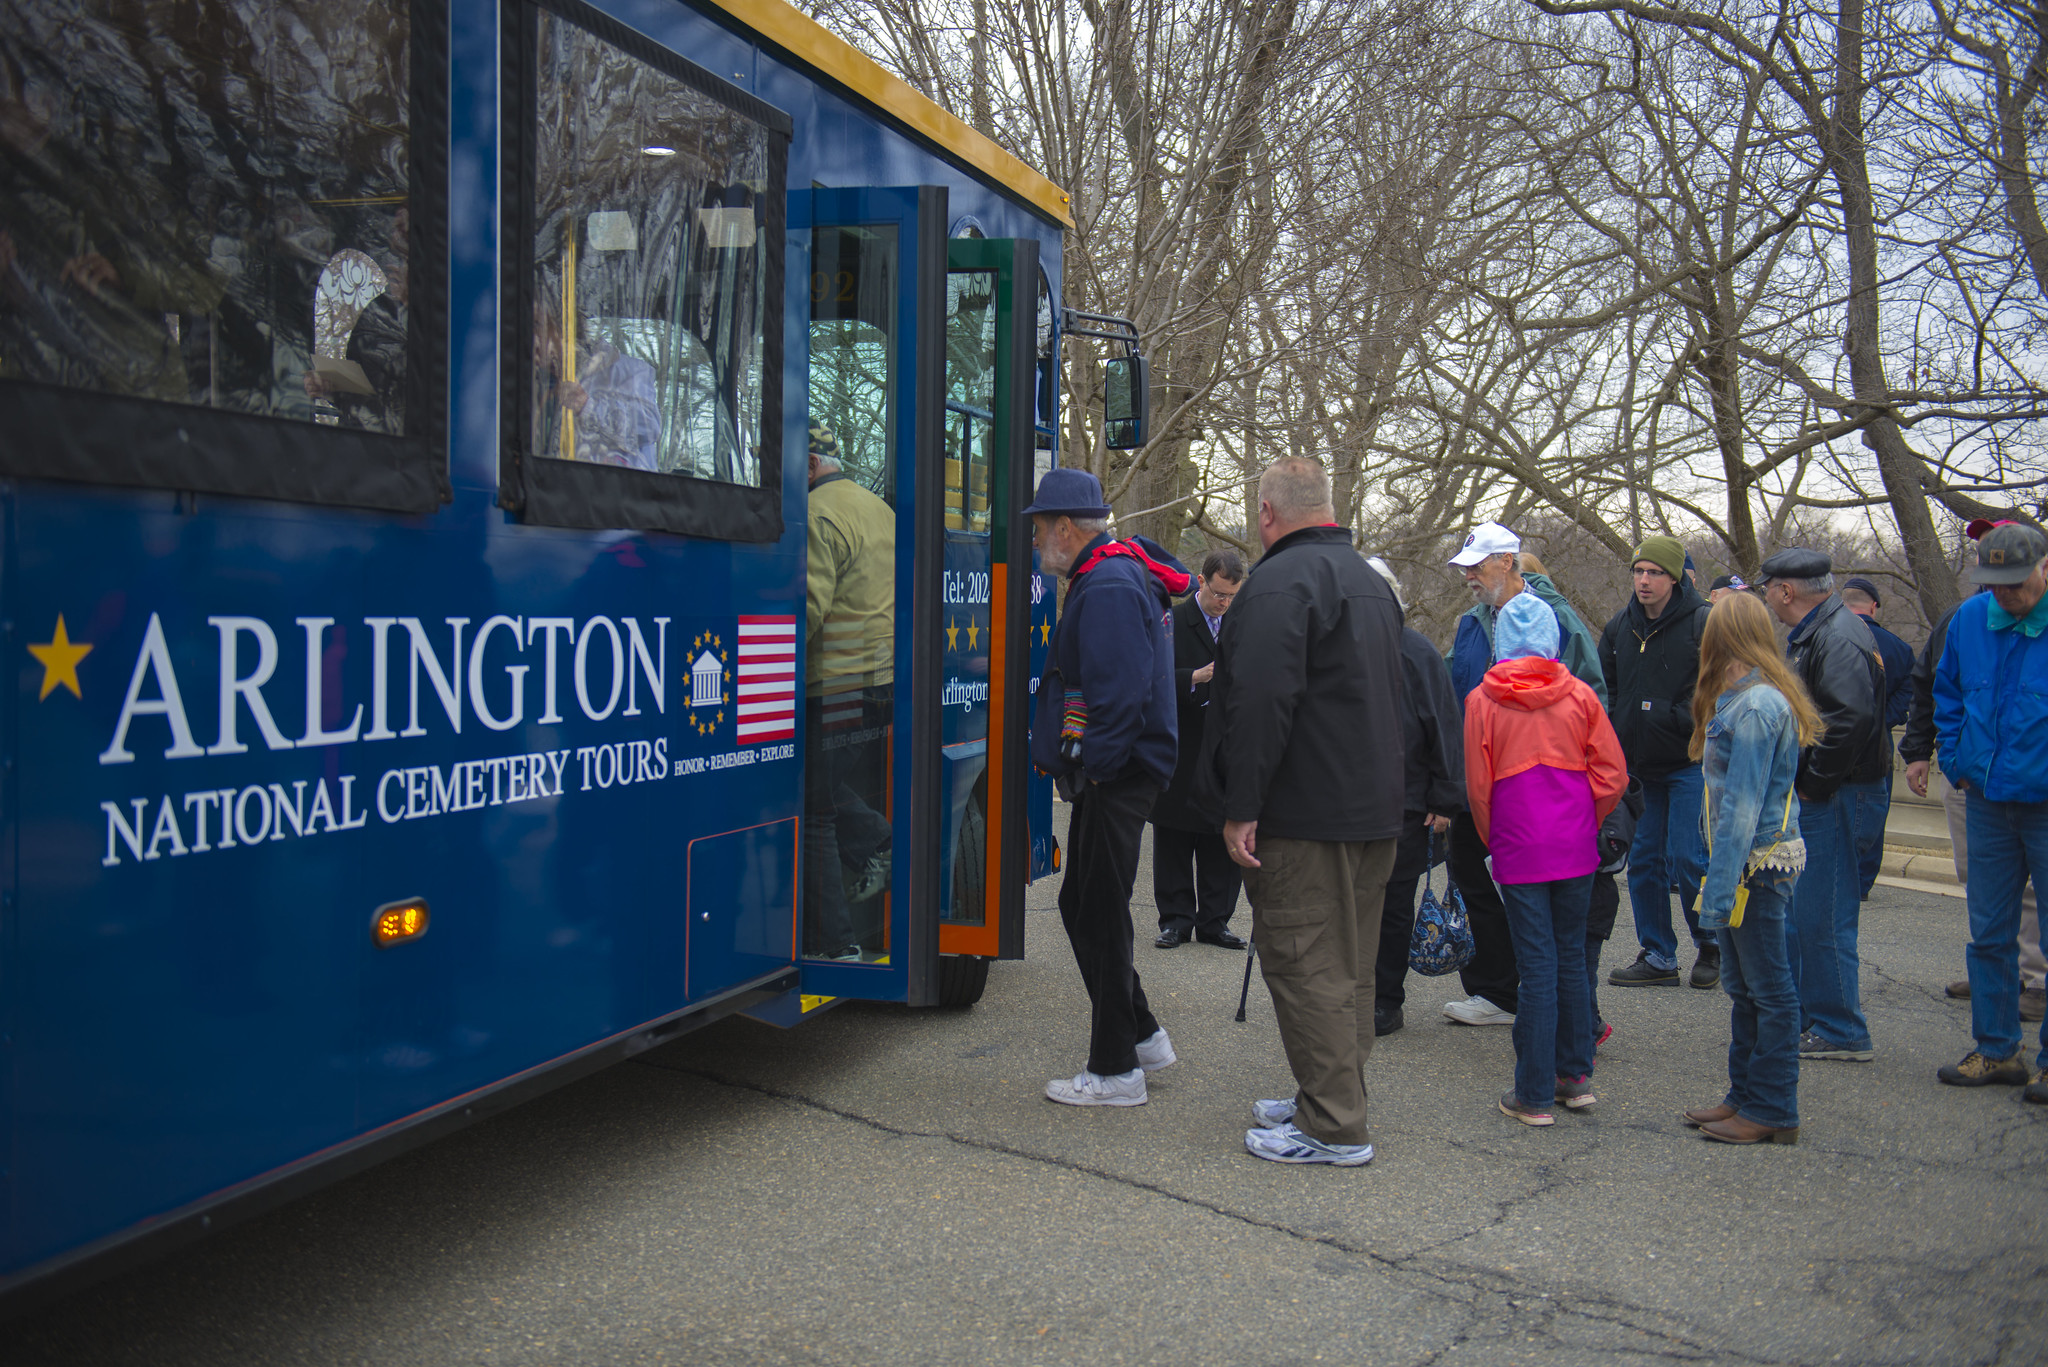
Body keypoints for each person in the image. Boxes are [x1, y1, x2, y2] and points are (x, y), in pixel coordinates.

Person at [1209, 456, 1405, 1165]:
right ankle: (1332, 1094)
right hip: (1373, 810)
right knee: (1349, 965)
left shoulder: (1276, 586)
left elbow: (1259, 706)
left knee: (1307, 963)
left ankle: (1332, 1124)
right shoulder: (1372, 584)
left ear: (1267, 513)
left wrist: (1241, 806)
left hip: (1305, 814)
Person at [1024, 468, 1184, 1107]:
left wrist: (1093, 768)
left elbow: (1121, 696)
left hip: (1118, 773)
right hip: (1117, 771)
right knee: (1083, 905)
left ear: (1066, 527)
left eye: (1040, 531)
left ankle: (1116, 1069)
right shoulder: (1105, 574)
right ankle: (1142, 1035)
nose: (1038, 545)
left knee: (1101, 911)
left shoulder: (1110, 583)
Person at [1463, 593, 1625, 1126]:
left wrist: (1497, 840)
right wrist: (1585, 819)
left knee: (1535, 966)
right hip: (1574, 841)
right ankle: (1574, 1077)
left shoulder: (1482, 701)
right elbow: (1612, 776)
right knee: (1571, 956)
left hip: (1517, 842)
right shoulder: (1578, 695)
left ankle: (1532, 1092)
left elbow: (1480, 788)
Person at [1442, 523, 1608, 1029]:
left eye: (1479, 565)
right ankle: (1495, 990)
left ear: (1508, 562)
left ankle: (1572, 1022)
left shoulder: (1555, 618)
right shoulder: (1473, 621)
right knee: (1469, 876)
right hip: (1478, 782)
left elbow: (1592, 699)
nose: (1469, 575)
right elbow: (1453, 690)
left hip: (1543, 795)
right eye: (1465, 566)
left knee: (1549, 911)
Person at [1682, 591, 1820, 1145]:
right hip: (1743, 862)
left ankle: (1773, 1108)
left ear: (1723, 637)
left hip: (1756, 864)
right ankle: (1744, 1095)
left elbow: (1742, 805)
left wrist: (1720, 884)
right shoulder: (1740, 699)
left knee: (1771, 990)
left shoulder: (1759, 706)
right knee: (1745, 988)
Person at [1901, 520, 2048, 1022]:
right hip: (1984, 797)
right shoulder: (1968, 619)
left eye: (2017, 582)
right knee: (1988, 930)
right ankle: (1995, 1047)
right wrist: (1958, 762)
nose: (2004, 593)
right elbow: (1943, 692)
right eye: (1995, 582)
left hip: (2043, 802)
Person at [1758, 548, 1885, 1062]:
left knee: (1824, 915)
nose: (1766, 595)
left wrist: (1811, 783)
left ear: (1786, 591)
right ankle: (1818, 1018)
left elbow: (1849, 719)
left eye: (1768, 587)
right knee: (1806, 912)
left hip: (1839, 791)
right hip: (1836, 787)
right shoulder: (1826, 630)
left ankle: (1840, 1028)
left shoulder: (1836, 636)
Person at [1599, 535, 1717, 990]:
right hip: (1638, 767)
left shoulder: (1702, 624)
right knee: (1645, 861)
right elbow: (1606, 688)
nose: (1645, 581)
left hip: (1688, 761)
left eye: (1655, 573)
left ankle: (1710, 944)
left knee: (1688, 858)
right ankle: (1658, 954)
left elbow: (1716, 687)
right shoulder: (1619, 627)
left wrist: (1673, 716)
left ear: (1674, 578)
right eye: (1639, 572)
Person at [802, 425, 895, 961]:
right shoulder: (879, 509)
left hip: (834, 682)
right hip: (879, 682)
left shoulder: (818, 515)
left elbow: (808, 609)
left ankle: (835, 948)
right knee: (823, 784)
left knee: (810, 805)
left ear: (811, 466)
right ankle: (877, 840)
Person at [1365, 556, 1464, 1037]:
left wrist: (1445, 799)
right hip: (1350, 802)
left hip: (1407, 803)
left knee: (1393, 906)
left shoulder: (1417, 652)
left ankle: (1386, 1000)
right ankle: (1353, 993)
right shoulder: (1340, 649)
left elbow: (1445, 727)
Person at [1150, 549, 1248, 951]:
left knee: (1219, 840)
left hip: (1225, 749)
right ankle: (1176, 920)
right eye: (1218, 593)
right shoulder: (1170, 620)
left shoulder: (1242, 624)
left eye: (1231, 596)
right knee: (1173, 837)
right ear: (1201, 581)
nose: (1223, 602)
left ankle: (1215, 921)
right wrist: (1194, 676)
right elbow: (1149, 676)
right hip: (1180, 746)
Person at [1839, 575, 1913, 899]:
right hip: (1879, 741)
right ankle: (1863, 879)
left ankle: (1835, 872)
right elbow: (1909, 693)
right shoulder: (1899, 648)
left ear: (1843, 603)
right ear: (1873, 606)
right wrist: (1882, 719)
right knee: (1874, 809)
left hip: (1837, 736)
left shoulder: (1828, 638)